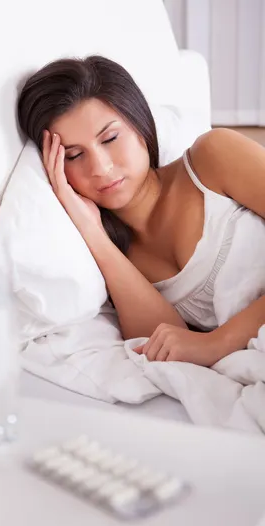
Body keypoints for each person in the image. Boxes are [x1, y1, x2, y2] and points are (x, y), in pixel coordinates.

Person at [17, 55, 265, 366]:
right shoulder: (113, 262)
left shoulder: (213, 158)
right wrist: (93, 232)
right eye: (74, 155)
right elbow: (166, 345)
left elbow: (204, 348)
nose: (101, 167)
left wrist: (218, 342)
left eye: (110, 138)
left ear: (139, 123)